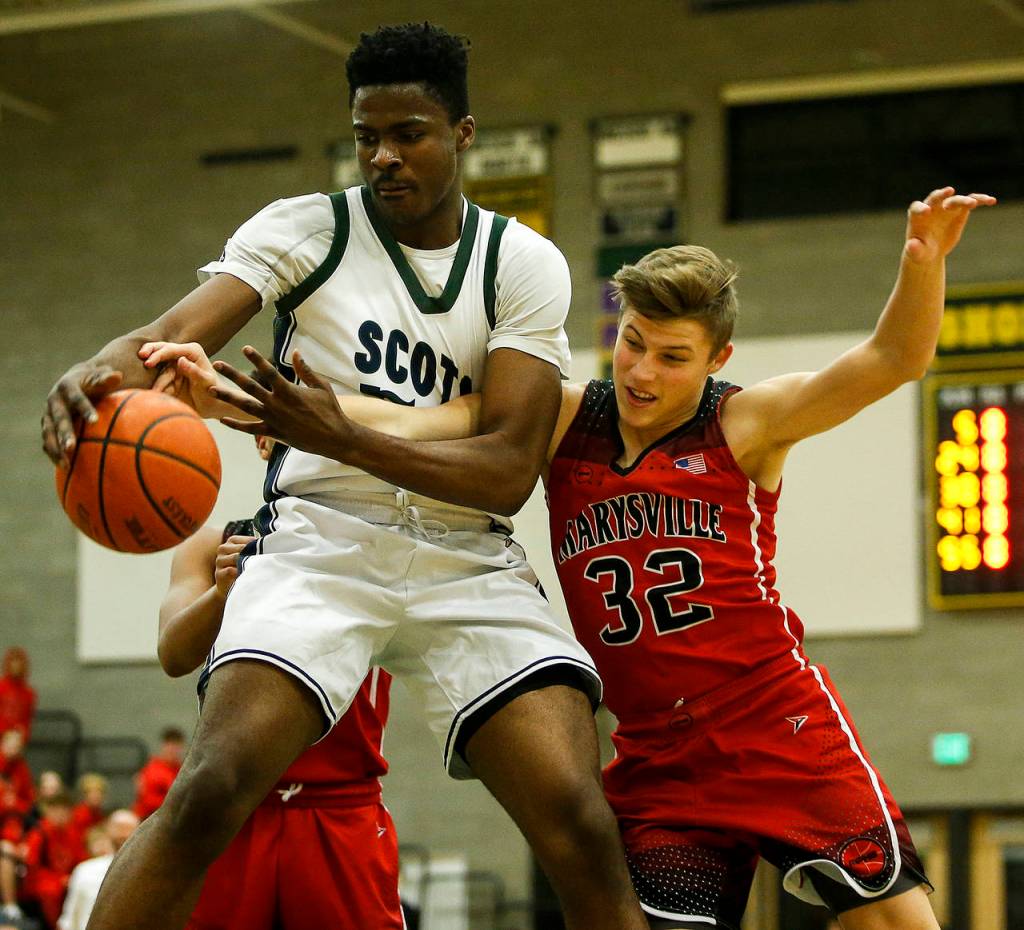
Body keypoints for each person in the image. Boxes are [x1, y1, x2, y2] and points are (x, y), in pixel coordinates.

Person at [169, 186, 988, 929]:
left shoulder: (748, 423)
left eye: (672, 357)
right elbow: (409, 420)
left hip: (777, 725)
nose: (642, 371)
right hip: (659, 758)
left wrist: (923, 262)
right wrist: (255, 405)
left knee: (896, 925)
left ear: (717, 361)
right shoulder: (562, 416)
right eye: (633, 343)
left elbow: (892, 361)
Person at [41, 22, 644, 930]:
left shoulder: (521, 263)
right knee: (211, 790)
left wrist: (342, 434)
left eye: (410, 134)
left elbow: (508, 471)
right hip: (322, 540)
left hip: (464, 553)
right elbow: (169, 333)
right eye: (367, 136)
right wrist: (96, 370)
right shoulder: (306, 229)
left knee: (577, 820)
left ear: (463, 133)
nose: (385, 157)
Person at [158, 437, 403, 930]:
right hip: (234, 803)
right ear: (263, 439)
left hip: (340, 806)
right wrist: (228, 591)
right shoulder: (212, 544)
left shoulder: (382, 537)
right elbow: (173, 653)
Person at [57, 812, 139, 930]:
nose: (123, 834)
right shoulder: (84, 870)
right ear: (108, 831)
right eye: (119, 828)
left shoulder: (150, 875)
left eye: (128, 829)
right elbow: (69, 919)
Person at [20, 792, 86, 929]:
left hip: (65, 878)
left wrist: (72, 877)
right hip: (41, 880)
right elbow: (32, 865)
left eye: (65, 809)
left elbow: (81, 860)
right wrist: (60, 879)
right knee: (51, 890)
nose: (61, 814)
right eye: (56, 809)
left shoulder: (73, 833)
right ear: (47, 811)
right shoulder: (39, 833)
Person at [132, 729, 184, 822]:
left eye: (177, 747)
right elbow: (148, 801)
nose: (173, 750)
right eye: (170, 746)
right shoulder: (152, 770)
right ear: (163, 746)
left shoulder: (181, 769)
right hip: (148, 819)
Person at [0, 651, 35, 742]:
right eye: (13, 662)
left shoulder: (28, 693)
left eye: (19, 663)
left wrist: (21, 734)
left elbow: (26, 721)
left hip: (16, 740)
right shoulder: (1, 687)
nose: (16, 667)